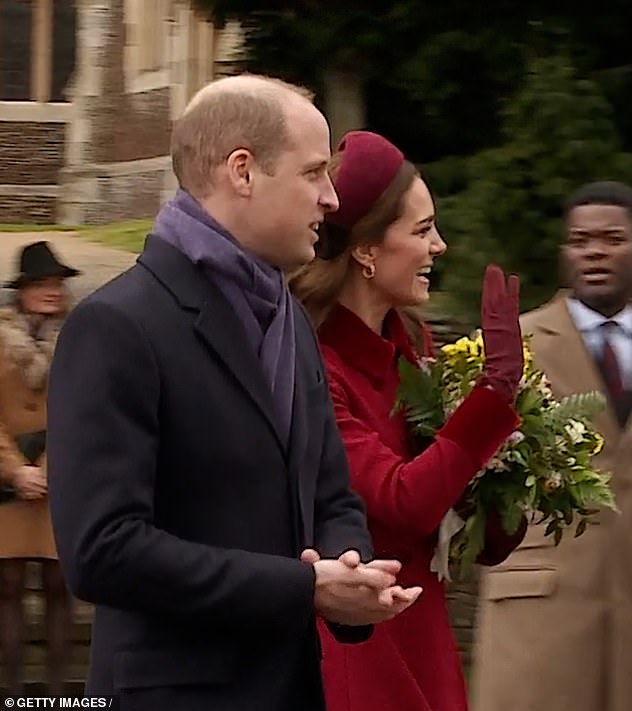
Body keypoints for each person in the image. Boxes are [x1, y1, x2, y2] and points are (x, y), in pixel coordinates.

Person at [46, 76, 421, 711]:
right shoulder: (117, 325)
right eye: (312, 174)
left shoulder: (294, 321)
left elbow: (331, 494)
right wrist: (302, 587)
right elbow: (101, 550)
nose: (332, 198)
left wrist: (348, 572)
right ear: (242, 171)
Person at [290, 130, 527, 711]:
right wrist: (493, 397)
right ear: (367, 250)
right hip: (358, 649)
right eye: (422, 231)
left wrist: (508, 483)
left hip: (423, 634)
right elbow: (401, 500)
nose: (440, 246)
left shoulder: (412, 348)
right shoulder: (315, 364)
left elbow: (465, 522)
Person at [471, 181, 632, 711]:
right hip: (541, 605)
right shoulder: (514, 343)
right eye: (581, 240)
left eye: (613, 239)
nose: (595, 252)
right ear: (564, 251)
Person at [0, 241, 79, 695]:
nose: (53, 292)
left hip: (59, 477)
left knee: (58, 584)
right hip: (8, 480)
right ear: (23, 290)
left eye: (58, 284)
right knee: (8, 585)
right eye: (44, 284)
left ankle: (57, 694)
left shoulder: (78, 336)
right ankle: (11, 691)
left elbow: (85, 408)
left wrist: (49, 467)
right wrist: (16, 471)